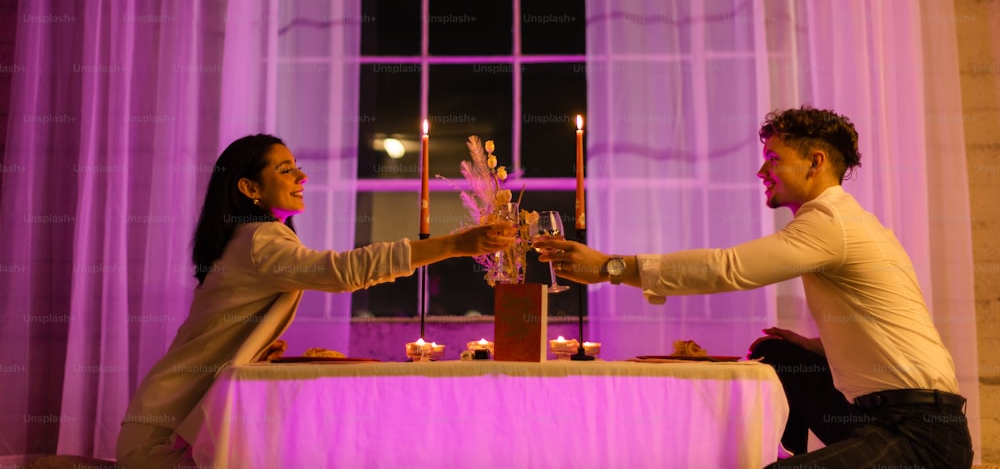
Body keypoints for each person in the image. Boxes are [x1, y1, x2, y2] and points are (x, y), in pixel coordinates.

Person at [538, 107, 973, 468]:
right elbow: (890, 320)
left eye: (774, 157)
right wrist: (822, 346)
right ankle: (788, 453)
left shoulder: (831, 222)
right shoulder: (846, 223)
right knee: (779, 354)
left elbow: (727, 268)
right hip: (880, 417)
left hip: (921, 434)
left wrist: (609, 267)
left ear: (816, 161)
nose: (762, 169)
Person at [116, 134, 515, 468]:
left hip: (166, 425)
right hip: (163, 441)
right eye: (285, 169)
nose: (302, 176)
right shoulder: (258, 238)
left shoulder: (249, 237)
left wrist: (252, 347)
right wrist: (453, 245)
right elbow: (345, 271)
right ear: (249, 188)